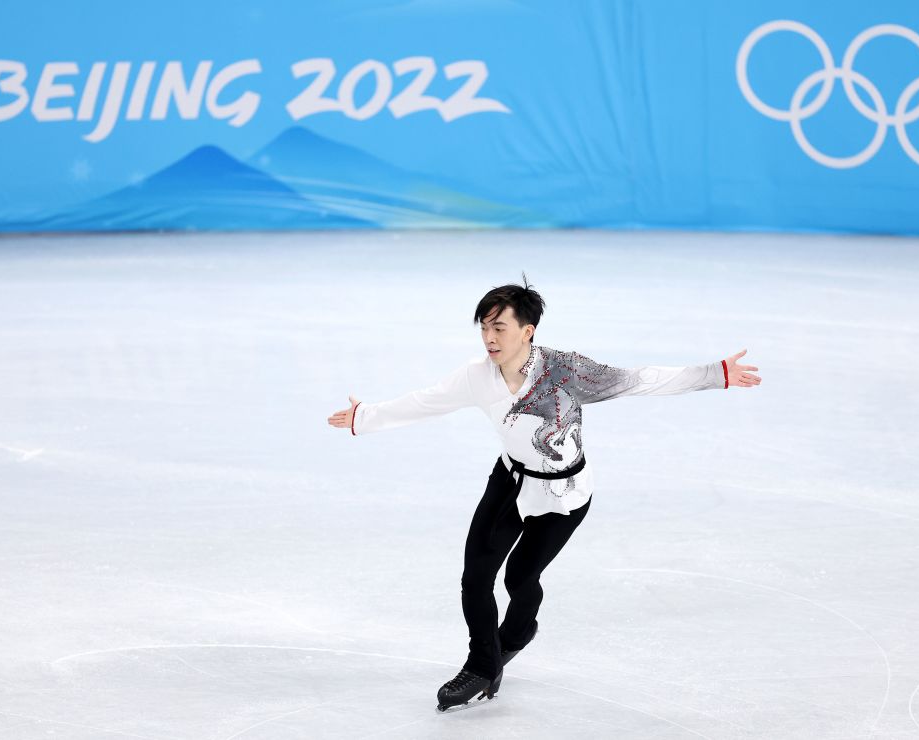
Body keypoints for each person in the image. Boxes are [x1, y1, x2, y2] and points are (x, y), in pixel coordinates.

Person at [326, 273, 761, 712]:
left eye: (499, 328)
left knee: (518, 577)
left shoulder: (564, 371)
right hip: (510, 483)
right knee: (475, 577)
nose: (489, 338)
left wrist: (716, 373)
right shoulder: (476, 377)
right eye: (484, 327)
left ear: (527, 331)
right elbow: (424, 401)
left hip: (564, 496)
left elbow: (636, 379)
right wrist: (365, 417)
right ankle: (481, 666)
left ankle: (515, 636)